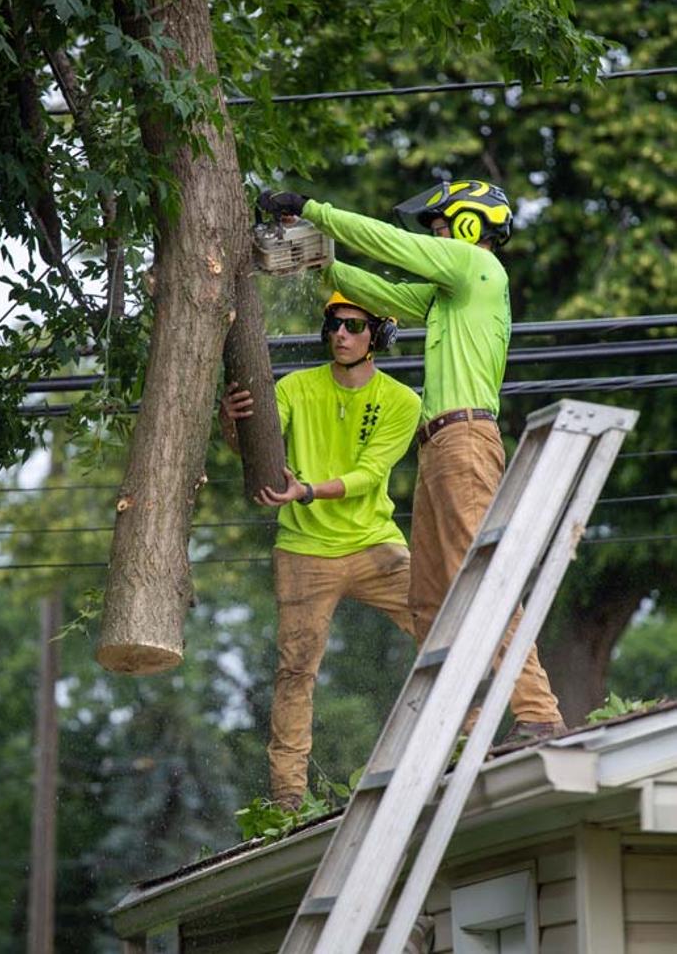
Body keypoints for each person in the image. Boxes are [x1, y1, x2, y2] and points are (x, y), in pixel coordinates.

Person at [258, 182, 566, 745]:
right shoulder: (451, 296)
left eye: (441, 227)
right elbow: (382, 291)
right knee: (428, 600)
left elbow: (390, 246)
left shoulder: (476, 267)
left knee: (483, 579)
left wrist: (312, 208)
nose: (435, 239)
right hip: (440, 447)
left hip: (465, 440)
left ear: (471, 227)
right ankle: (460, 727)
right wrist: (325, 265)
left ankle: (538, 710)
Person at [220, 292, 421, 808]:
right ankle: (287, 800)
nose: (341, 335)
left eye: (354, 326)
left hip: (375, 544)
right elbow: (252, 448)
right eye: (334, 324)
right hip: (304, 550)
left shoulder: (402, 401)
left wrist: (307, 490)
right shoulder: (293, 387)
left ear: (379, 335)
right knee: (295, 672)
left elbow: (370, 475)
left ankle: (467, 741)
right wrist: (232, 420)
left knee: (447, 625)